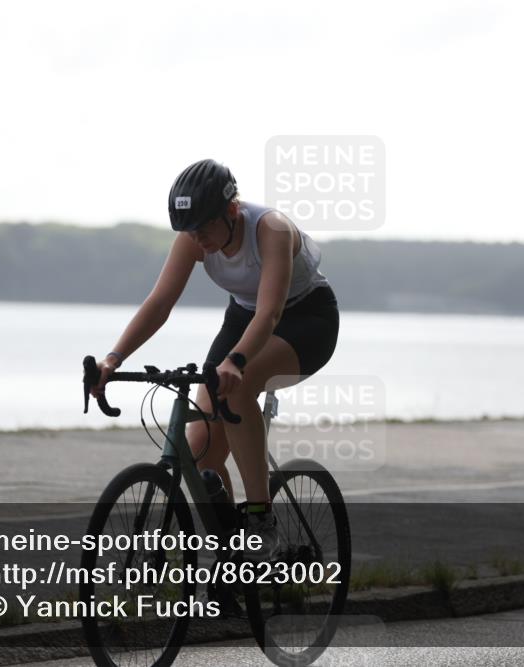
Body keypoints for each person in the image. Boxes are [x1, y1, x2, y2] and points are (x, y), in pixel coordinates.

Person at [91, 158, 339, 560]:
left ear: (231, 210)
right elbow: (159, 303)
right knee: (201, 451)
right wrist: (113, 359)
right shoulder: (193, 237)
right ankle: (233, 559)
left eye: (204, 227)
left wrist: (236, 363)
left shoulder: (271, 229)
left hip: (305, 320)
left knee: (238, 392)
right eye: (190, 230)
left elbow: (270, 314)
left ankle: (262, 521)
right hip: (243, 318)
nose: (198, 238)